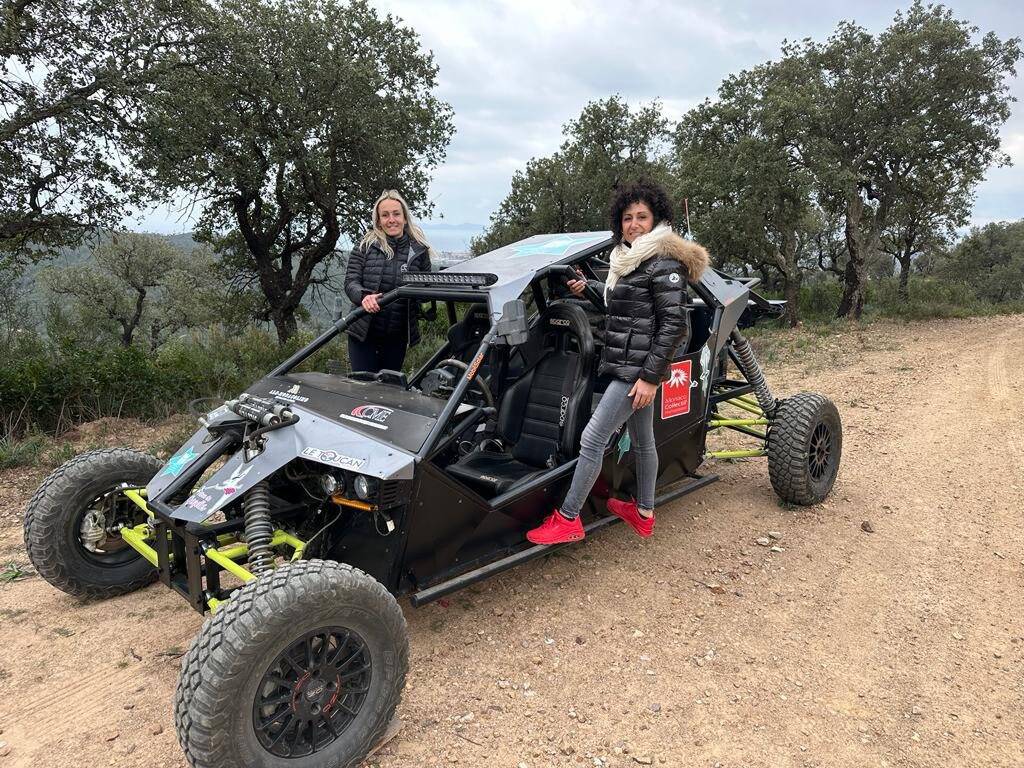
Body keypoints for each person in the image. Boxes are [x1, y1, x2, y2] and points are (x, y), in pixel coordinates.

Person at [526, 179, 709, 545]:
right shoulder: (630, 261)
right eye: (628, 218)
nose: (634, 224)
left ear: (657, 219)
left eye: (642, 217)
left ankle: (568, 518)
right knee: (643, 440)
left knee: (592, 438)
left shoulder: (663, 262)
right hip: (632, 366)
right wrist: (589, 289)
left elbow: (674, 325)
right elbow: (624, 310)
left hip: (637, 371)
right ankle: (643, 512)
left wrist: (651, 378)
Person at [344, 189, 434, 373]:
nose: (391, 219)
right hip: (364, 333)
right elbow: (350, 282)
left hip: (396, 336)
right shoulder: (364, 245)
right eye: (385, 215)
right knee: (363, 386)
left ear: (405, 218)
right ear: (378, 220)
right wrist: (364, 297)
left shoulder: (419, 250)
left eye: (396, 214)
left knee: (389, 389)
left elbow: (426, 292)